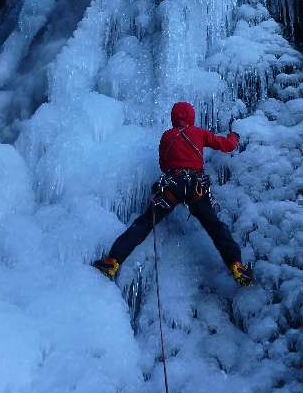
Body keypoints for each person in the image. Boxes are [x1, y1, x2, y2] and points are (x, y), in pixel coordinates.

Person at [93, 101, 253, 287]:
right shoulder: (198, 133)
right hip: (196, 187)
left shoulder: (167, 136)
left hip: (172, 186)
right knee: (215, 227)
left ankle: (113, 261)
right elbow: (226, 145)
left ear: (173, 117)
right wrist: (234, 135)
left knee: (145, 223)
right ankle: (236, 264)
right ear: (191, 117)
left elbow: (164, 165)